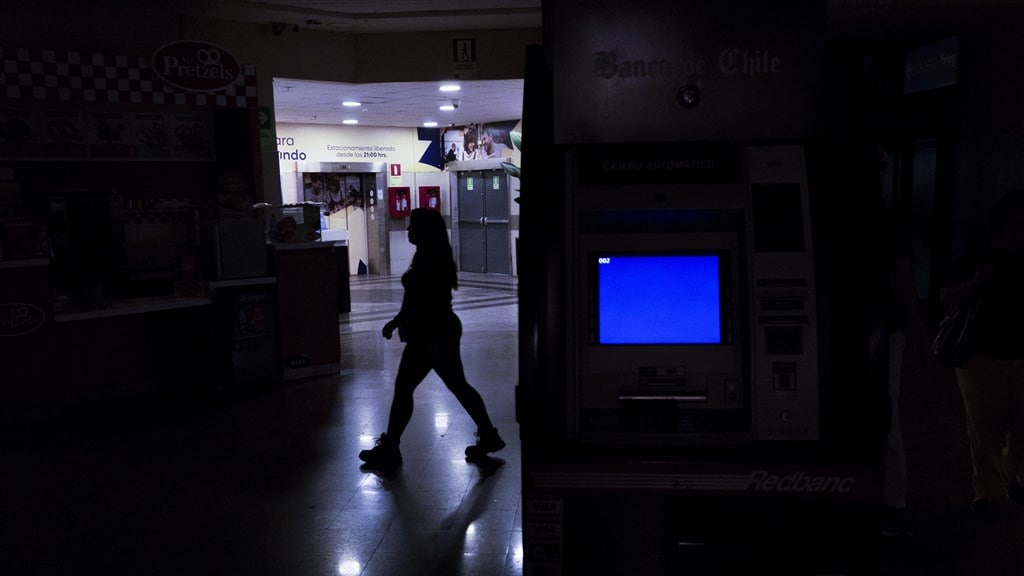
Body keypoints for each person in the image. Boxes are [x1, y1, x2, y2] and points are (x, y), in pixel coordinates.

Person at [359, 208, 505, 471]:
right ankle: (488, 435)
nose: (407, 231)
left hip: (433, 333)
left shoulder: (432, 259)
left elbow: (430, 301)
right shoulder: (427, 254)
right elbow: (414, 296)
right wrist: (398, 320)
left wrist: (429, 341)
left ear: (424, 230)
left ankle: (391, 448)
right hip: (435, 331)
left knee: (409, 389)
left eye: (412, 226)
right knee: (455, 386)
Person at [939, 189, 1024, 512]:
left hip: (987, 351)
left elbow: (946, 294)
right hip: (983, 353)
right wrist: (975, 284)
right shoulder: (981, 254)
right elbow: (947, 294)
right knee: (987, 426)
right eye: (1015, 226)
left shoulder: (984, 254)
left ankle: (997, 485)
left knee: (993, 426)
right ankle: (995, 487)